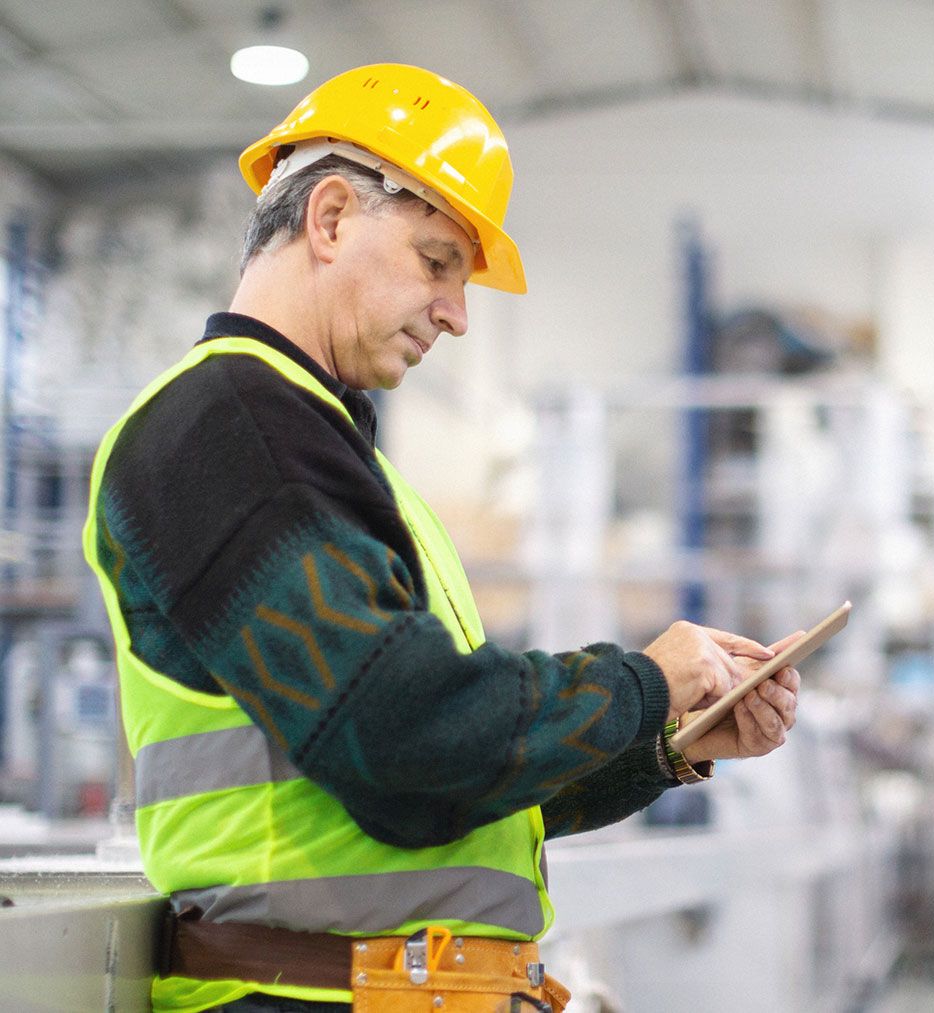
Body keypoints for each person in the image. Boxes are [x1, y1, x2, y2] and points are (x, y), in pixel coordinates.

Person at [80, 63, 803, 1013]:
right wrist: (643, 681)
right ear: (330, 217)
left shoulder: (325, 454)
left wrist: (664, 738)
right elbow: (403, 744)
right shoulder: (230, 425)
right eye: (435, 262)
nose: (458, 315)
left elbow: (472, 782)